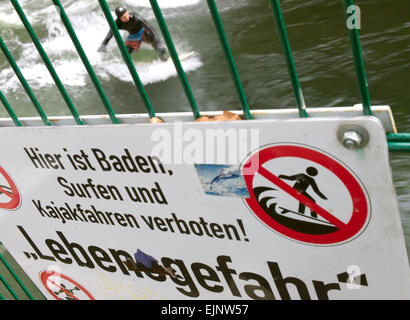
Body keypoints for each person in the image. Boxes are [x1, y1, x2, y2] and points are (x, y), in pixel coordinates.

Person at [98, 6, 168, 61]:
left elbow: (150, 28)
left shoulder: (136, 18)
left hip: (143, 32)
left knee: (151, 37)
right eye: (124, 17)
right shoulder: (118, 23)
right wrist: (103, 44)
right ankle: (128, 65)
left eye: (127, 15)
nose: (127, 17)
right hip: (133, 36)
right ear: (120, 18)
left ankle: (161, 55)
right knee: (125, 52)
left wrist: (158, 42)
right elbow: (110, 33)